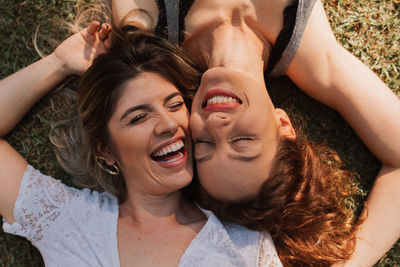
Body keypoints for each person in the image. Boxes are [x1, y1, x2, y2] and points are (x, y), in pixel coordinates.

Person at [109, 0, 400, 266]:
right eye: (243, 140)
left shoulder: (147, 35)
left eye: (204, 144)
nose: (214, 124)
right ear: (283, 126)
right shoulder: (315, 58)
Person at [0, 24, 283, 266]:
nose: (169, 125)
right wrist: (59, 63)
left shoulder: (245, 244)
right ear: (106, 150)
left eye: (174, 105)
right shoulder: (67, 221)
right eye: (138, 118)